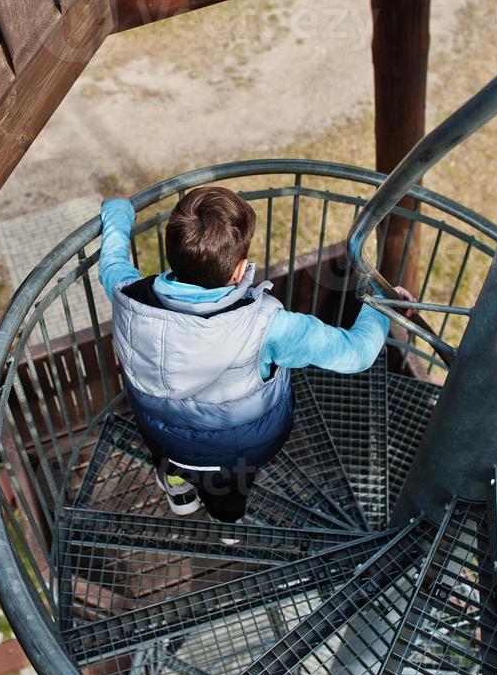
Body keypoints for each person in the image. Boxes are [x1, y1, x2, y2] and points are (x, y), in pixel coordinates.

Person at [98, 186, 391, 532]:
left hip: (160, 430)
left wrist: (118, 210)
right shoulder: (268, 326)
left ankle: (178, 490)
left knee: (172, 456)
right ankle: (228, 522)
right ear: (238, 271)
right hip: (235, 451)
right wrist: (384, 303)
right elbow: (356, 353)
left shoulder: (128, 297)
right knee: (227, 493)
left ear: (172, 254)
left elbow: (112, 261)